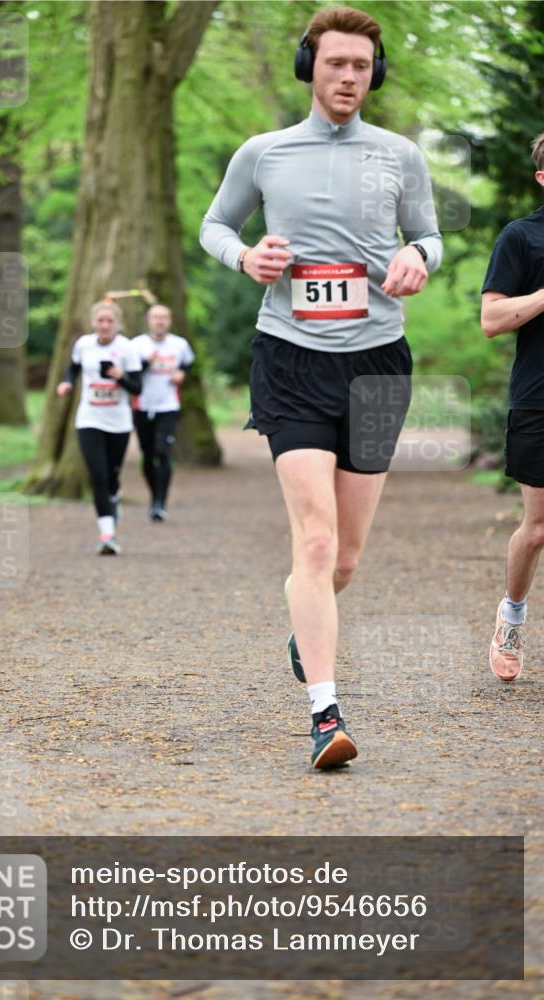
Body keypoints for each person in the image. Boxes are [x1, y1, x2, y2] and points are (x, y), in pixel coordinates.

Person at [200, 5, 442, 769]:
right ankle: (324, 714)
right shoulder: (264, 153)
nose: (347, 77)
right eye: (334, 63)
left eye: (361, 67)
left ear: (374, 75)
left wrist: (420, 260)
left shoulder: (399, 154)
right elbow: (214, 225)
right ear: (309, 66)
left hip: (376, 365)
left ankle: (308, 625)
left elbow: (429, 232)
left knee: (344, 561)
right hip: (290, 356)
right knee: (311, 539)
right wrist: (244, 258)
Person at [481, 133, 544, 681]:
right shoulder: (520, 238)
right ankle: (512, 618)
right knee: (538, 527)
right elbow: (492, 320)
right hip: (538, 398)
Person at [57, 300, 142, 555]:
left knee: (113, 475)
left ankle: (114, 502)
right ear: (93, 322)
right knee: (98, 475)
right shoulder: (83, 344)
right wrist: (66, 383)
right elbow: (72, 369)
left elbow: (138, 388)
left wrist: (121, 377)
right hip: (89, 419)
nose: (104, 325)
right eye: (100, 321)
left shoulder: (127, 349)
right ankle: (107, 534)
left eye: (109, 321)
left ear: (117, 324)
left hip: (118, 422)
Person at [131, 303, 195, 521]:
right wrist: (145, 364)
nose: (160, 321)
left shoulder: (179, 345)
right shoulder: (136, 345)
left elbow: (188, 363)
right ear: (148, 321)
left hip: (168, 406)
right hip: (142, 406)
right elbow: (129, 376)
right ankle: (153, 497)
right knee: (148, 454)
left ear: (170, 321)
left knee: (163, 451)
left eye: (164, 318)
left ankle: (160, 503)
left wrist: (181, 373)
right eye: (156, 317)